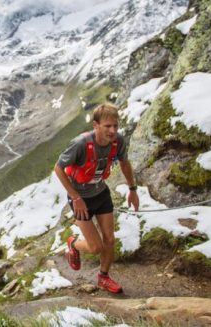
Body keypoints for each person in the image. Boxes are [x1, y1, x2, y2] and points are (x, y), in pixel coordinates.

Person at [53, 103, 139, 293]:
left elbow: (125, 163)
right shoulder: (80, 144)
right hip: (80, 199)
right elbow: (58, 168)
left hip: (101, 193)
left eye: (115, 126)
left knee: (109, 240)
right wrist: (76, 198)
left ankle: (104, 277)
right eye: (107, 126)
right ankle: (73, 243)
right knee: (95, 247)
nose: (113, 130)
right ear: (96, 126)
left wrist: (133, 189)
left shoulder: (118, 142)